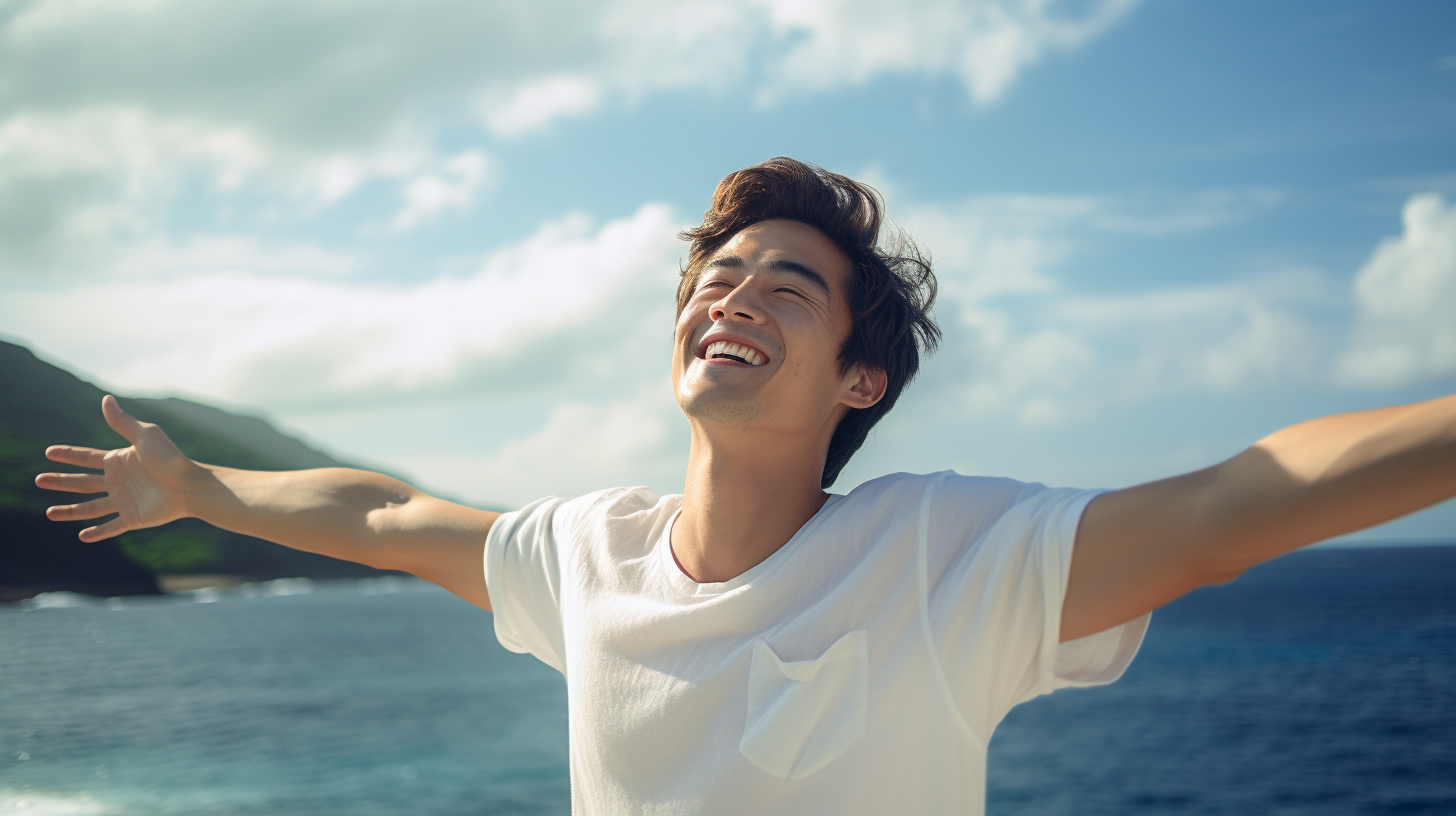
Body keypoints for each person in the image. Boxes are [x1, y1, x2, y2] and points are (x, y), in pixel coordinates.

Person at [36, 158, 1456, 814]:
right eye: (714, 277)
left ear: (862, 382)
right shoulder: (587, 552)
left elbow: (1228, 506)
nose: (729, 294)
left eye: (785, 281)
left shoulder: (939, 556)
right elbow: (388, 519)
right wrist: (199, 484)